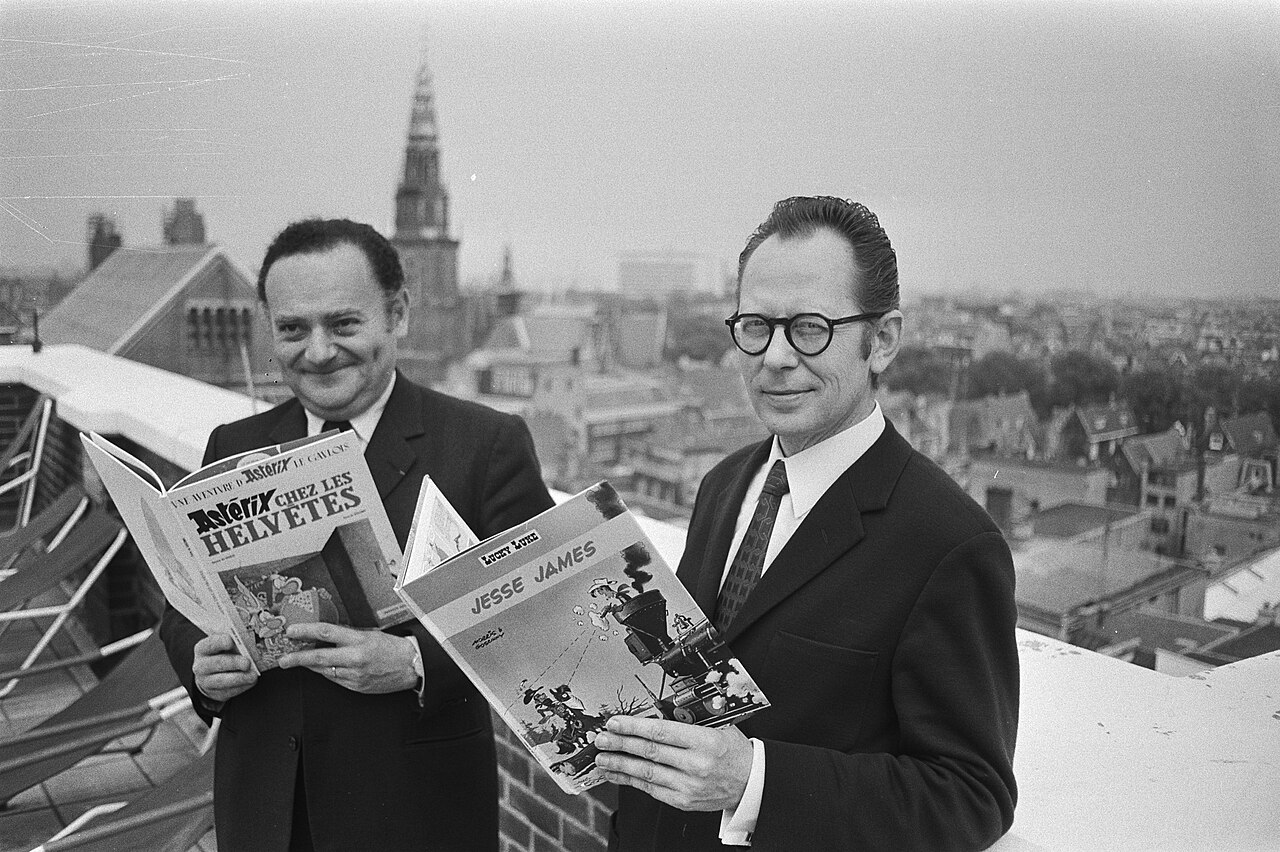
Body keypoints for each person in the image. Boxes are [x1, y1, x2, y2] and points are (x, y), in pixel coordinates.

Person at [596, 196, 1019, 851]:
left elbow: (972, 795)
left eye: (810, 329)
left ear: (882, 341)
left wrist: (754, 783)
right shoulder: (724, 485)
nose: (775, 357)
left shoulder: (949, 544)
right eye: (756, 327)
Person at [159, 218, 553, 852]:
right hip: (265, 807)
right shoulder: (233, 447)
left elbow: (537, 619)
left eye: (343, 325)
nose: (317, 352)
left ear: (396, 315)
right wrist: (200, 668)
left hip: (414, 811)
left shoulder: (485, 447)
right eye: (292, 329)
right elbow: (183, 606)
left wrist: (416, 662)